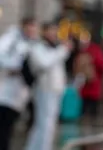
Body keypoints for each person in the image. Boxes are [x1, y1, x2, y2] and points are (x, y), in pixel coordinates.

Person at [24, 22, 72, 150]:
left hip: (56, 90)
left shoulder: (55, 48)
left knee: (46, 125)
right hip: (44, 89)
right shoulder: (37, 47)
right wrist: (62, 50)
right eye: (50, 31)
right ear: (44, 32)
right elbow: (45, 63)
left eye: (55, 31)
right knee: (45, 125)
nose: (53, 34)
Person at [0, 17, 39, 150]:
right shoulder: (13, 39)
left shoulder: (32, 43)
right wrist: (15, 67)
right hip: (8, 92)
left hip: (23, 92)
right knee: (5, 126)